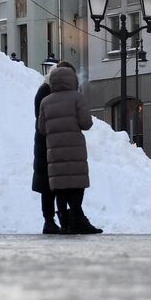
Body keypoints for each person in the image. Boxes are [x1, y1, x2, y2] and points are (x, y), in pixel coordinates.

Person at [37, 62, 101, 235]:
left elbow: (41, 128)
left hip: (54, 152)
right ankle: (76, 220)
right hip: (75, 151)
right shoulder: (77, 97)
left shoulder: (45, 101)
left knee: (61, 188)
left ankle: (64, 223)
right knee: (76, 186)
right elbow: (86, 123)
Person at [31, 71, 60, 234]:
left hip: (47, 143)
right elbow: (42, 119)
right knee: (48, 186)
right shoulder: (45, 92)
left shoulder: (46, 90)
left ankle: (52, 220)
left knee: (51, 185)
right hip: (45, 144)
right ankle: (49, 220)